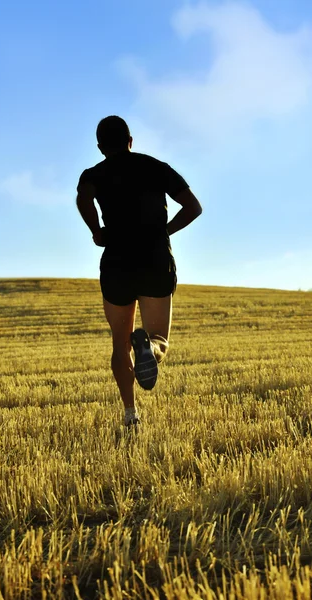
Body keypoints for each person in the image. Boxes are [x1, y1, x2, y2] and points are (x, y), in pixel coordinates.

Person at [76, 116, 202, 426]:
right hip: (154, 258)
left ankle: (130, 414)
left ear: (100, 147)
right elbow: (193, 207)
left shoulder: (93, 173)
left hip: (117, 261)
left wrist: (96, 231)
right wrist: (164, 231)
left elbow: (84, 198)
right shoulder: (155, 166)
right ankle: (149, 345)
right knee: (160, 337)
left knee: (119, 343)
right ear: (131, 141)